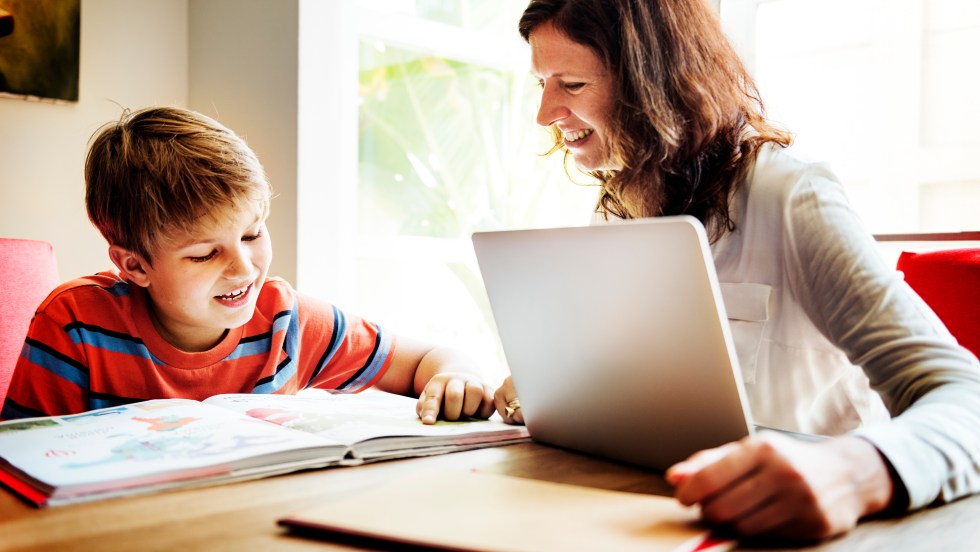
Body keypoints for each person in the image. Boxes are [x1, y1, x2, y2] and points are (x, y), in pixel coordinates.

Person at [493, 0, 980, 540]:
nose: (544, 114)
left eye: (573, 84)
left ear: (650, 83)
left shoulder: (790, 196)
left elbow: (965, 399)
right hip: (659, 522)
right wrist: (556, 393)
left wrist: (857, 470)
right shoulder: (614, 211)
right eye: (542, 82)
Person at [2, 106, 495, 426]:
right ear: (135, 267)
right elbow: (18, 464)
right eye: (204, 253)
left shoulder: (286, 321)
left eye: (252, 234)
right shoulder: (74, 327)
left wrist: (458, 375)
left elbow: (430, 359)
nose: (243, 268)